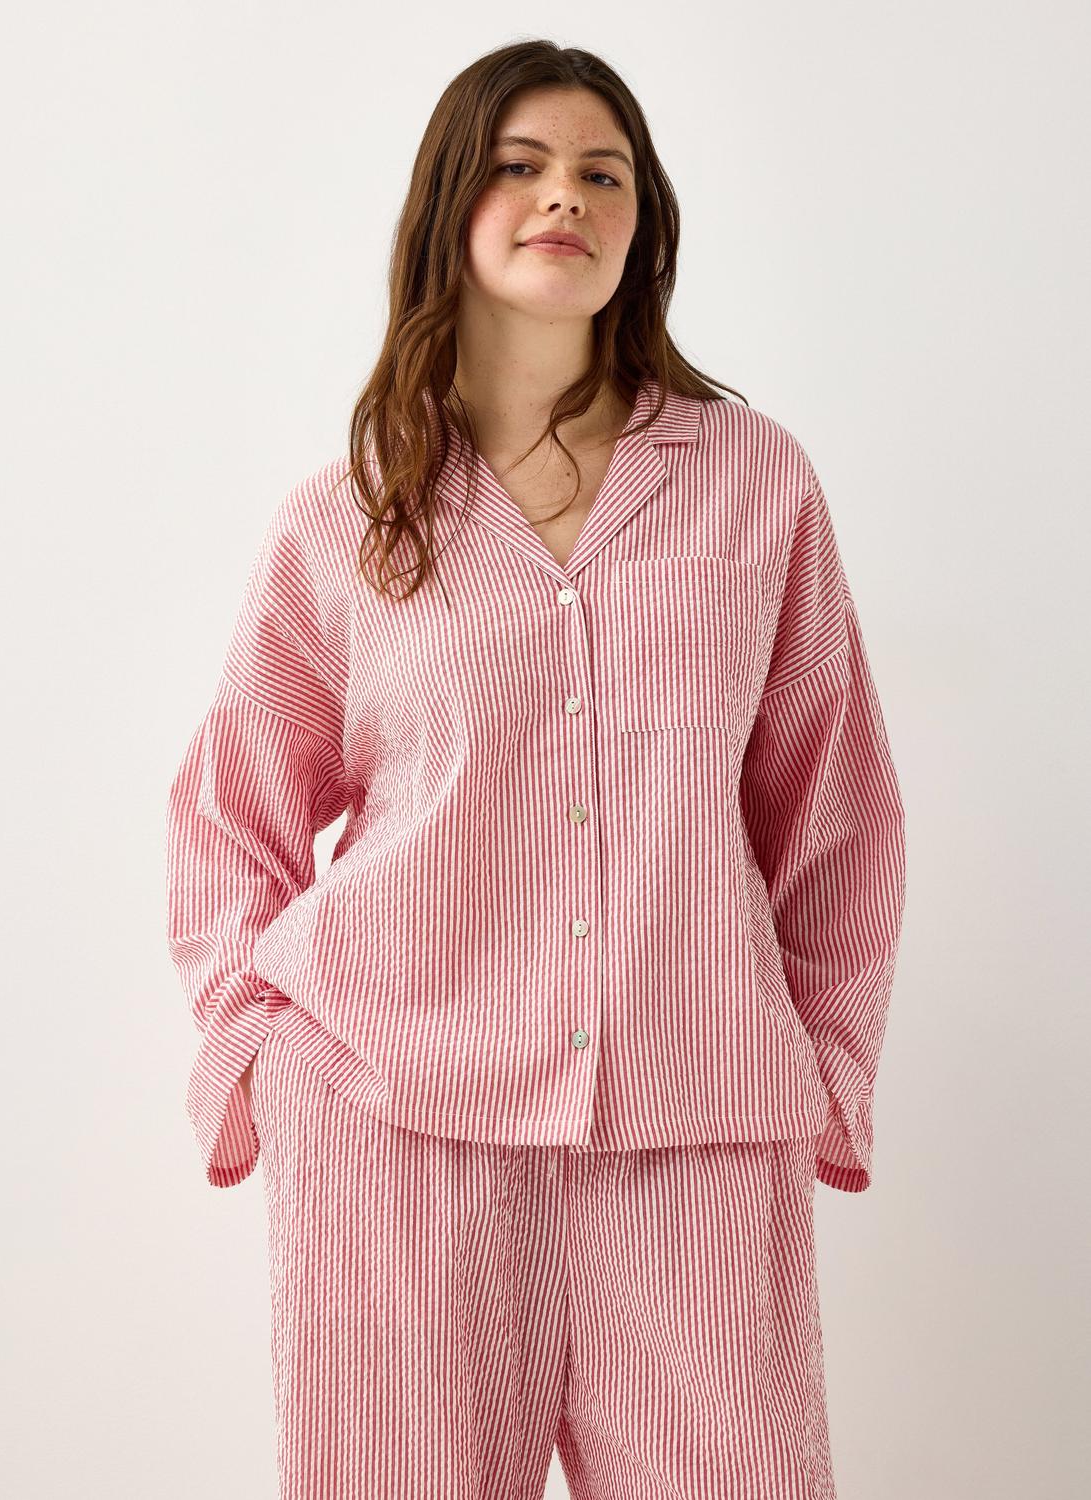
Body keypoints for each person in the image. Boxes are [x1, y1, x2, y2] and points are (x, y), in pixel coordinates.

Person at [165, 38, 906, 1500]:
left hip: (699, 1123)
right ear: (452, 204)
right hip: (396, 1123)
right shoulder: (348, 515)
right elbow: (230, 805)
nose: (564, 196)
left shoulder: (755, 482)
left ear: (643, 226)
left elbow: (834, 802)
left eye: (600, 174)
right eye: (521, 166)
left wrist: (825, 1066)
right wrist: (257, 1053)